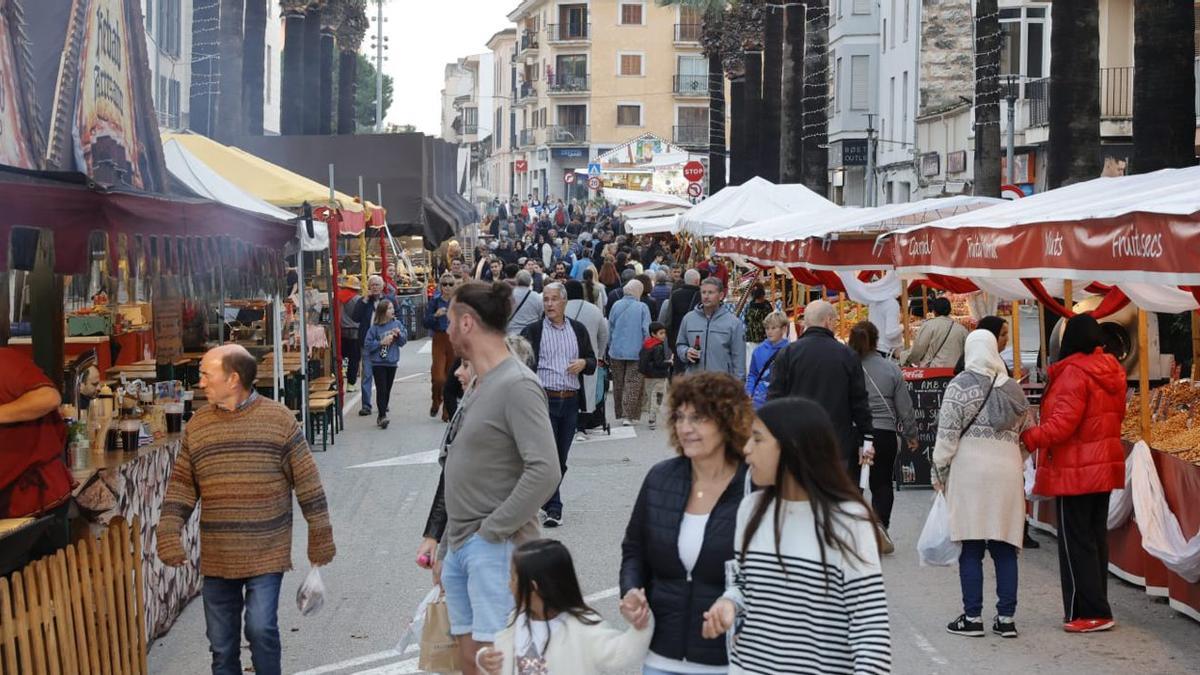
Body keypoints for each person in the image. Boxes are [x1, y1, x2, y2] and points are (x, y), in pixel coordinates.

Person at [158, 345, 336, 675]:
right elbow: (183, 485)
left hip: (266, 550)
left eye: (206, 375)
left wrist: (320, 534)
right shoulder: (198, 426)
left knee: (260, 629)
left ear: (233, 378)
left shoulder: (279, 420)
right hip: (219, 554)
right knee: (222, 645)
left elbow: (308, 482)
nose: (200, 383)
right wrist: (168, 531)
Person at [418, 282, 561, 673]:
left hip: (496, 547)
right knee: (471, 660)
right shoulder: (480, 384)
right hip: (467, 544)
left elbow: (545, 469)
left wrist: (491, 532)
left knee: (502, 661)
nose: (446, 330)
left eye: (449, 321)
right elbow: (459, 471)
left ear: (467, 323)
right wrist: (447, 548)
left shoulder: (517, 384)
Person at [702, 398, 891, 674]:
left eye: (757, 439)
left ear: (792, 448)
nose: (746, 450)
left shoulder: (849, 522)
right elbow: (743, 583)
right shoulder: (750, 510)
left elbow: (870, 632)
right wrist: (729, 603)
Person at [621, 372, 753, 675]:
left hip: (730, 663)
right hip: (659, 658)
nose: (685, 428)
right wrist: (630, 591)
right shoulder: (660, 478)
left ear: (726, 420)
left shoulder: (754, 486)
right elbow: (634, 550)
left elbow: (768, 574)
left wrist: (733, 606)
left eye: (698, 419)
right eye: (679, 417)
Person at [1021, 313, 1127, 634]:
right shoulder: (1113, 370)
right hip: (1103, 467)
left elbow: (1062, 425)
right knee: (1095, 539)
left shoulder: (1073, 373)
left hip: (1076, 470)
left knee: (1075, 542)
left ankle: (1088, 612)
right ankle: (1099, 606)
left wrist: (1030, 437)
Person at [933, 330, 1031, 639]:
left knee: (971, 546)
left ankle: (972, 617)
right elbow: (1029, 434)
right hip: (1007, 473)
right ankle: (1006, 618)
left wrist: (939, 472)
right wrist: (1012, 454)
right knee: (1005, 546)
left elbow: (946, 436)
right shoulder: (1015, 389)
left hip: (969, 474)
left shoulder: (959, 386)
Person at [475, 539, 653, 674]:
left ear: (532, 587)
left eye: (513, 578)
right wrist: (484, 659)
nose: (509, 585)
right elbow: (503, 659)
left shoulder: (581, 628)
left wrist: (640, 625)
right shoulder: (516, 621)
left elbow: (619, 654)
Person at [520, 282, 596, 528]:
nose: (549, 304)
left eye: (554, 299)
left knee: (561, 458)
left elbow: (593, 361)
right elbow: (520, 364)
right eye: (546, 300)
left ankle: (543, 497)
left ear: (564, 302)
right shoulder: (533, 331)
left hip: (570, 400)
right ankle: (554, 506)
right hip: (544, 400)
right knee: (549, 457)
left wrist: (584, 363)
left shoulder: (578, 329)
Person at [767, 300, 873, 474]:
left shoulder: (787, 353)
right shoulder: (847, 355)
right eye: (836, 322)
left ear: (806, 322)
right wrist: (866, 438)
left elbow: (774, 400)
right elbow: (859, 402)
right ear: (828, 321)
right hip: (837, 444)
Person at [848, 321, 916, 554]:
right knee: (883, 483)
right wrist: (911, 434)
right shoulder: (891, 369)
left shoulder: (847, 366)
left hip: (854, 432)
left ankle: (853, 533)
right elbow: (904, 406)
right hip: (884, 433)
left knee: (853, 485)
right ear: (877, 341)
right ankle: (880, 528)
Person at [0, 348, 72, 561]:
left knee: (46, 586)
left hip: (37, 498)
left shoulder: (5, 361)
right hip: (10, 501)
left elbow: (49, 396)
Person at [675, 277, 746, 381]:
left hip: (720, 385)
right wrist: (686, 352)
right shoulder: (688, 319)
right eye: (703, 292)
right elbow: (680, 344)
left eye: (710, 292)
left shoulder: (733, 323)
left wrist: (738, 386)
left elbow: (739, 359)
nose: (706, 296)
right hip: (694, 382)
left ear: (721, 296)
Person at [564, 280, 610, 440]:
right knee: (588, 390)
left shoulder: (561, 309)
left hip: (565, 356)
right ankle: (582, 426)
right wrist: (599, 354)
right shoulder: (594, 310)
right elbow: (604, 334)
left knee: (566, 387)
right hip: (589, 355)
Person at [351, 275, 397, 417]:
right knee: (367, 374)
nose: (375, 287)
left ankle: (383, 402)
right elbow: (355, 317)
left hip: (385, 342)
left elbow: (397, 315)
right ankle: (366, 404)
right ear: (369, 287)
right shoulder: (363, 301)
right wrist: (364, 300)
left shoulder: (388, 300)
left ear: (383, 286)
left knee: (384, 375)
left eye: (377, 284)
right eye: (372, 285)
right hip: (368, 342)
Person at [608, 279, 652, 427]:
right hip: (636, 351)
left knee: (618, 383)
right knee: (633, 382)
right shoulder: (642, 307)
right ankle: (628, 415)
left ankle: (620, 412)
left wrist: (609, 346)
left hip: (616, 351)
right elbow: (647, 330)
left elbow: (610, 327)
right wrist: (648, 348)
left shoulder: (616, 305)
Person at [364, 299, 407, 429]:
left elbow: (403, 342)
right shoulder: (375, 328)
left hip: (392, 362)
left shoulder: (397, 324)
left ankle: (382, 412)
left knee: (387, 389)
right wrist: (381, 342)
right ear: (382, 312)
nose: (392, 310)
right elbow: (367, 345)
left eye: (392, 308)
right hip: (378, 363)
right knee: (381, 389)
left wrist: (399, 335)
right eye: (389, 308)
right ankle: (382, 416)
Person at [425, 274, 458, 420]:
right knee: (438, 377)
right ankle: (436, 400)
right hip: (439, 338)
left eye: (451, 284)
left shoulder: (457, 302)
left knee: (450, 376)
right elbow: (425, 322)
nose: (447, 287)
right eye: (444, 284)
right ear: (440, 286)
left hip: (454, 339)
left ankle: (446, 410)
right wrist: (435, 316)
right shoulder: (435, 301)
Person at [904, 296, 968, 368]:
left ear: (934, 311)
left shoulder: (928, 325)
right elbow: (966, 352)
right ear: (950, 310)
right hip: (955, 371)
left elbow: (918, 349)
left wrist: (905, 358)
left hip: (933, 371)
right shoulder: (962, 329)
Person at [745, 311, 790, 410]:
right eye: (767, 328)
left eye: (774, 328)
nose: (769, 332)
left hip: (780, 401)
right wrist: (749, 392)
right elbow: (753, 374)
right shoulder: (758, 350)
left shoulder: (790, 350)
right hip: (758, 401)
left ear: (783, 329)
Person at [661, 269, 702, 363]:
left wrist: (672, 343)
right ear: (697, 281)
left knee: (679, 372)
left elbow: (669, 320)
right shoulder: (702, 296)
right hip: (697, 340)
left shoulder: (676, 295)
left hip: (678, 339)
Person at [637, 322, 672, 430]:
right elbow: (659, 363)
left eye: (664, 333)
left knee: (650, 395)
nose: (664, 335)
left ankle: (651, 415)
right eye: (661, 333)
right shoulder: (658, 346)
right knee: (657, 397)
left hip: (648, 376)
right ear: (653, 334)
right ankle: (652, 417)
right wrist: (669, 362)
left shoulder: (646, 344)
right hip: (659, 376)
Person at [337, 275, 363, 391]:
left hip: (341, 331)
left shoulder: (338, 297)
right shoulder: (358, 299)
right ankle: (351, 384)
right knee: (354, 359)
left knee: (340, 357)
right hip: (355, 332)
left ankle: (338, 382)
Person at [742, 286, 773, 370]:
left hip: (753, 337)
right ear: (763, 295)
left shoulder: (749, 306)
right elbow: (771, 320)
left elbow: (746, 320)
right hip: (762, 337)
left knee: (752, 360)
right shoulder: (766, 306)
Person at [507, 270, 544, 336]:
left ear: (516, 280)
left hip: (511, 333)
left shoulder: (508, 295)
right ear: (530, 281)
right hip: (530, 334)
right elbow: (540, 316)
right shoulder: (537, 297)